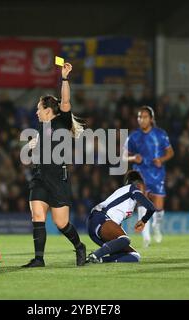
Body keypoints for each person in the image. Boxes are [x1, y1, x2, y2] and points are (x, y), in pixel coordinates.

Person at [22, 62, 87, 268]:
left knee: (61, 223)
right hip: (40, 176)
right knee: (37, 215)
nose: (36, 113)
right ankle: (39, 258)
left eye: (38, 109)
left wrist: (65, 78)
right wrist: (33, 147)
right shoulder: (42, 126)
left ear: (48, 109)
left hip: (58, 178)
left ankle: (79, 247)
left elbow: (65, 100)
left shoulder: (62, 120)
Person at [123, 106, 174, 246]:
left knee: (158, 206)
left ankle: (156, 227)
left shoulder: (160, 134)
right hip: (140, 173)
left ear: (151, 119)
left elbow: (170, 152)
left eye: (144, 117)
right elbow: (124, 156)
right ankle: (145, 236)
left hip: (157, 173)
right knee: (142, 201)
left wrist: (161, 160)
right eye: (139, 117)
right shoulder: (133, 136)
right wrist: (134, 158)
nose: (141, 119)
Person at [86, 170, 156, 263]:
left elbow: (115, 221)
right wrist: (143, 220)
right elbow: (151, 208)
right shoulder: (132, 188)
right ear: (139, 184)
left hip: (98, 227)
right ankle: (94, 255)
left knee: (134, 256)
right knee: (125, 240)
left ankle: (99, 259)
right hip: (100, 218)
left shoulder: (124, 195)